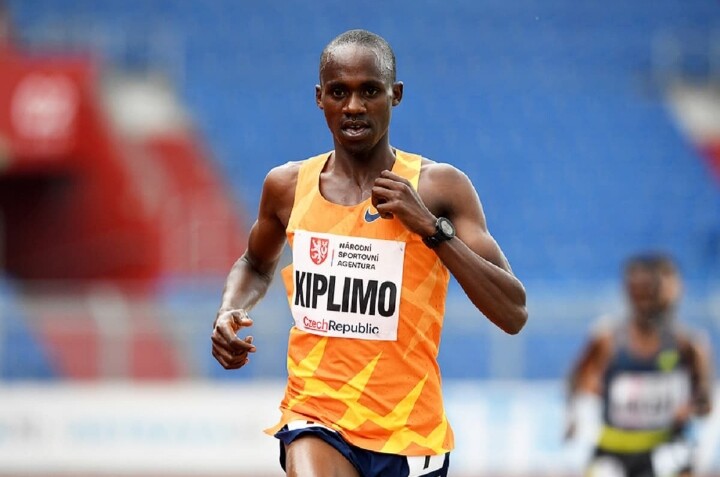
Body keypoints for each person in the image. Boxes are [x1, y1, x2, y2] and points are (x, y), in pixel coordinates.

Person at [211, 29, 527, 477]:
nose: (354, 106)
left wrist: (432, 230)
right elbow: (255, 263)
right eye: (339, 92)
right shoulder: (287, 187)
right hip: (316, 413)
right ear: (319, 98)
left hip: (409, 431)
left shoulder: (438, 187)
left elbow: (513, 312)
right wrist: (230, 309)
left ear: (395, 95)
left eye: (370, 91)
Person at [565, 253, 714, 477]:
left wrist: (690, 408)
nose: (643, 299)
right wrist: (576, 412)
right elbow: (577, 379)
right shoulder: (607, 339)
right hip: (614, 447)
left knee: (680, 462)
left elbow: (706, 402)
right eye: (636, 290)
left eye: (648, 290)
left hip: (666, 445)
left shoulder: (689, 345)